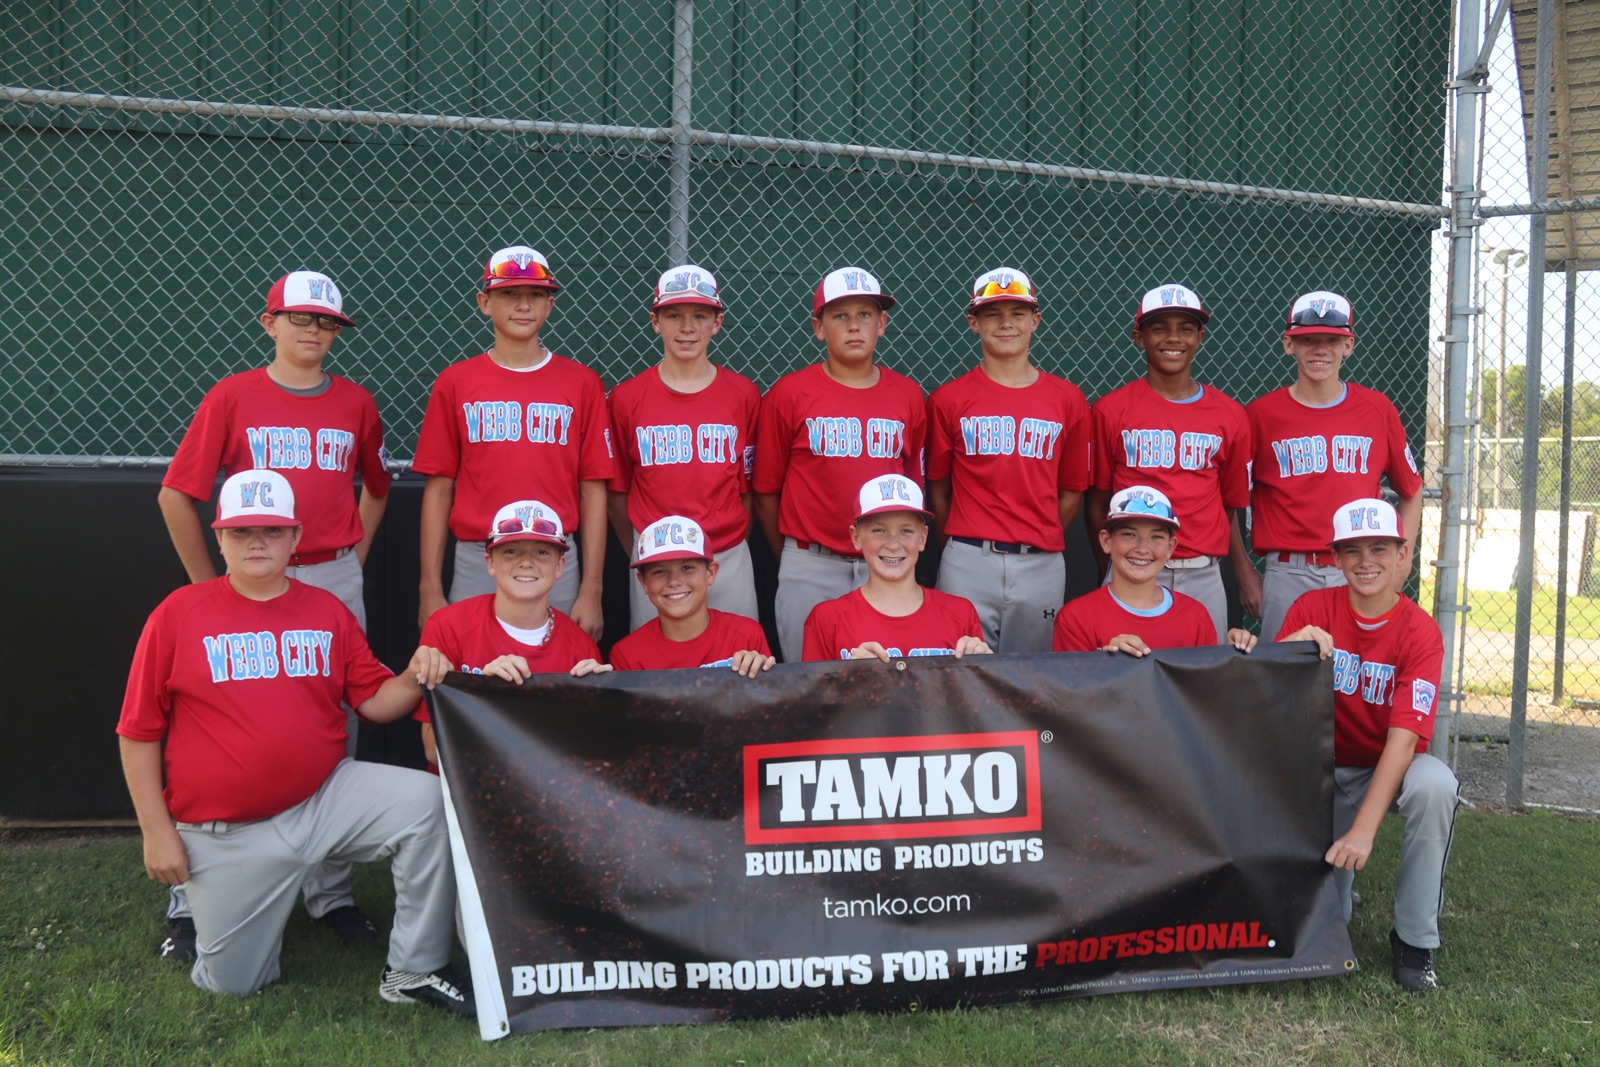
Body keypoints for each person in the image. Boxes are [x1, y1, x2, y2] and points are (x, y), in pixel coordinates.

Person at [118, 470, 472, 1015]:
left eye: (272, 530)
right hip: (228, 830)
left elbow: (374, 700)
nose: (257, 542)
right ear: (218, 539)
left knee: (427, 803)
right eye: (241, 532)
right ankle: (212, 908)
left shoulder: (326, 610)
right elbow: (138, 733)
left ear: (296, 537)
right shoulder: (177, 614)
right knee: (233, 983)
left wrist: (416, 672)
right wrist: (156, 833)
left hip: (323, 797)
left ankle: (415, 968)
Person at [155, 269, 389, 959]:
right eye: (298, 319)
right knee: (215, 725)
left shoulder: (356, 403)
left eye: (324, 323)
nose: (311, 331)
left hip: (330, 577)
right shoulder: (234, 395)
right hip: (247, 578)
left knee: (336, 724)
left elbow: (375, 488)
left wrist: (352, 558)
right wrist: (210, 588)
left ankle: (331, 892)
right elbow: (177, 495)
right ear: (269, 323)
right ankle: (188, 899)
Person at [1277, 496, 1457, 993]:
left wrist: (1362, 831)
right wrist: (1289, 646)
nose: (1365, 561)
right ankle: (1340, 900)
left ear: (1403, 554)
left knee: (1436, 785)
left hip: (1390, 766)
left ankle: (1416, 940)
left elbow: (1403, 742)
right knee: (1324, 920)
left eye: (1379, 548)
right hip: (1324, 769)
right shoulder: (1312, 607)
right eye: (1352, 550)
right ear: (1335, 558)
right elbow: (1271, 697)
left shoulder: (1420, 632)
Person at [413, 245, 612, 640]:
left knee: (554, 684)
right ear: (484, 302)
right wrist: (429, 588)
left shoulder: (582, 383)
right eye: (509, 294)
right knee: (472, 677)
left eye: (535, 295)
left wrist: (592, 588)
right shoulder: (455, 382)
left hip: (556, 556)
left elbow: (593, 493)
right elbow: (438, 492)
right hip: (477, 557)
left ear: (549, 305)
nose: (523, 305)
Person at [753, 267, 926, 661]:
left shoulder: (908, 396)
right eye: (839, 316)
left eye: (865, 314)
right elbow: (766, 491)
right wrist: (797, 557)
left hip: (885, 562)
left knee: (882, 679)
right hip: (809, 563)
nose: (854, 326)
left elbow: (911, 489)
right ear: (818, 327)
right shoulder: (789, 393)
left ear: (882, 323)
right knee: (807, 682)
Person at [1242, 291, 1425, 641]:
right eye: (1308, 339)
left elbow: (1412, 490)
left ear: (1349, 345)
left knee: (1355, 681)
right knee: (1283, 683)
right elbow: (1233, 499)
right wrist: (1245, 571)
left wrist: (1403, 560)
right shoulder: (1260, 415)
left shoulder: (1377, 409)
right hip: (1287, 571)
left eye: (1332, 339)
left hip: (1358, 571)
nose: (1320, 349)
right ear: (1288, 345)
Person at [926, 266, 1092, 653]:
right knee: (959, 673)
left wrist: (1037, 534)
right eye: (992, 314)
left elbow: (1071, 491)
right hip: (968, 558)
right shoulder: (948, 399)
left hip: (1041, 562)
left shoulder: (1068, 399)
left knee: (1033, 680)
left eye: (1017, 313)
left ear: (1034, 320)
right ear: (974, 322)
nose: (1006, 324)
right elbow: (937, 487)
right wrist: (959, 544)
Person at [1086, 283, 1252, 642]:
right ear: (1139, 336)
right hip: (1132, 568)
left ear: (1200, 336)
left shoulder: (1230, 415)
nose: (1173, 338)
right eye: (1160, 328)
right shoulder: (1110, 410)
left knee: (1201, 682)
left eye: (1185, 328)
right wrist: (1114, 565)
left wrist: (1226, 562)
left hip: (1202, 574)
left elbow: (1228, 503)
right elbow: (1097, 500)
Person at [607, 265, 761, 630]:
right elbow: (618, 492)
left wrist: (728, 540)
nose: (687, 327)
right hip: (656, 561)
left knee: (738, 667)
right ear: (655, 321)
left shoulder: (743, 395)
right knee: (657, 673)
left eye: (700, 315)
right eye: (674, 315)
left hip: (727, 556)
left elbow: (748, 489)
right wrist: (645, 548)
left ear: (717, 322)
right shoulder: (627, 398)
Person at [414, 500, 611, 770]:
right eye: (511, 551)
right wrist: (484, 695)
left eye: (542, 552)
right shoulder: (447, 625)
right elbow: (431, 751)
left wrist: (595, 711)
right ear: (490, 562)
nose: (526, 563)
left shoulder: (580, 646)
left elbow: (587, 761)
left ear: (559, 566)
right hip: (466, 788)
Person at [801, 475, 990, 662]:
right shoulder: (826, 620)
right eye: (879, 530)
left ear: (923, 538)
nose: (893, 545)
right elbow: (813, 692)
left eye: (906, 531)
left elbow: (975, 692)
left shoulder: (961, 613)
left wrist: (982, 669)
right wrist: (850, 680)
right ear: (856, 537)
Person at [1054, 485, 1257, 655]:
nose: (1143, 548)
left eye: (1157, 537)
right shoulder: (1075, 619)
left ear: (1171, 547)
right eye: (1129, 534)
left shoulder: (1196, 616)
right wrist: (1105, 665)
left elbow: (1205, 694)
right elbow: (1069, 697)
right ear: (1106, 541)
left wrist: (1232, 658)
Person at [608, 515, 775, 676]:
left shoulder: (746, 636)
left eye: (687, 568)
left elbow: (768, 700)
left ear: (710, 573)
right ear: (643, 581)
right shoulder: (626, 654)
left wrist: (760, 673)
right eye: (659, 571)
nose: (674, 581)